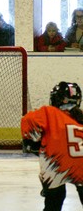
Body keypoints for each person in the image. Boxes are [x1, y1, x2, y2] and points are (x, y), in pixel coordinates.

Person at [21, 81, 83, 211]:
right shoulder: (81, 117)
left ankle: (49, 191)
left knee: (54, 201)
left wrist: (32, 144)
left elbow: (27, 121)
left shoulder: (49, 112)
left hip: (56, 165)